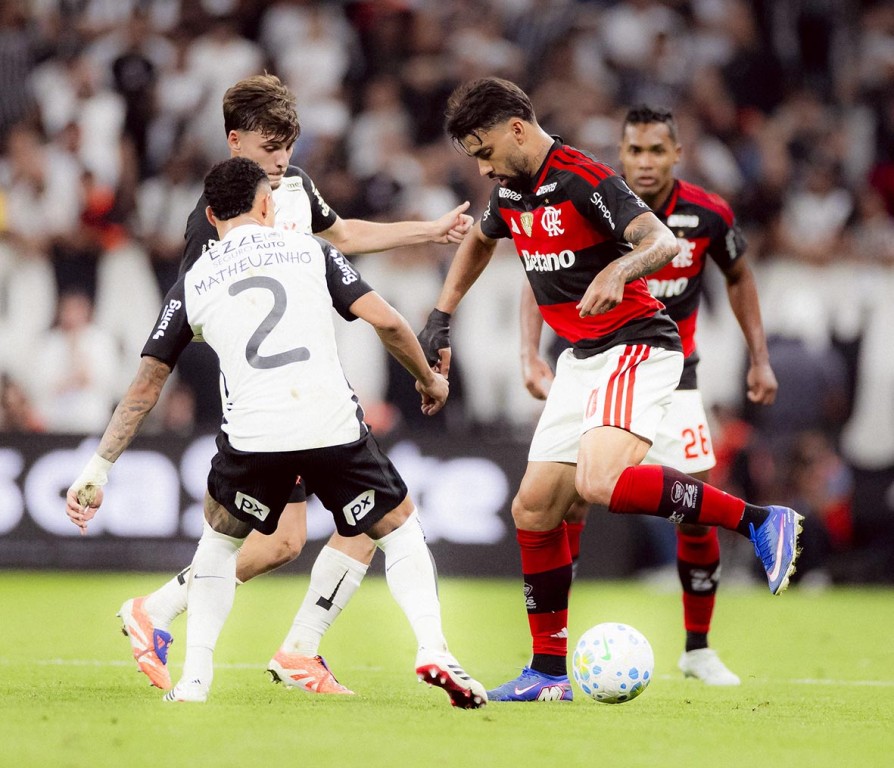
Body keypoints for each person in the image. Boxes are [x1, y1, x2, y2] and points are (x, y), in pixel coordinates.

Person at [415, 77, 802, 702]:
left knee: (599, 483)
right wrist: (441, 314)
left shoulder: (582, 178)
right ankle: (548, 673)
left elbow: (661, 240)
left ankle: (761, 521)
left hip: (637, 344)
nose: (483, 168)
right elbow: (482, 242)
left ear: (517, 129)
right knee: (533, 509)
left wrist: (620, 269)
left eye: (485, 152)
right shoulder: (511, 191)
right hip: (582, 358)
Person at [66, 156, 487, 708]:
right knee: (399, 529)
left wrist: (97, 470)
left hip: (253, 436)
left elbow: (146, 385)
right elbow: (386, 321)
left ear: (211, 215)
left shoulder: (194, 282)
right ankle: (433, 648)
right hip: (329, 425)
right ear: (267, 205)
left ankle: (196, 681)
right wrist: (429, 381)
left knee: (219, 543)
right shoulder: (310, 250)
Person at [518, 105, 779, 686]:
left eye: (657, 150)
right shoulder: (598, 202)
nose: (644, 162)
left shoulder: (707, 214)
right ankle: (552, 649)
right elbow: (538, 271)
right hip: (602, 363)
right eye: (634, 150)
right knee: (569, 499)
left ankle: (698, 648)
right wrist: (529, 352)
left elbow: (739, 276)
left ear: (676, 154)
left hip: (672, 371)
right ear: (621, 152)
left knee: (694, 509)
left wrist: (759, 358)